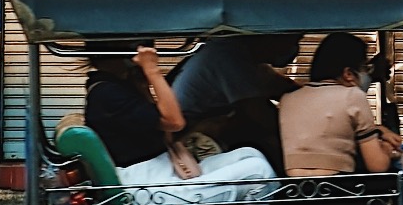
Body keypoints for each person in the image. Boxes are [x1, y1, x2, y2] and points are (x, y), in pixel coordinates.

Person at [278, 31, 401, 180]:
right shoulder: (353, 96)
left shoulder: (288, 99)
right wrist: (386, 149)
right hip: (339, 192)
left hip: (294, 194)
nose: (367, 75)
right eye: (364, 68)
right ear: (348, 74)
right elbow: (377, 166)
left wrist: (378, 129)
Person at [171, 31, 301, 170]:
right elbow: (258, 111)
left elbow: (283, 88)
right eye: (292, 40)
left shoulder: (245, 58)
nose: (293, 48)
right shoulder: (227, 55)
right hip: (191, 137)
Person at [82, 42, 199, 177]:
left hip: (159, 167)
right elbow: (175, 123)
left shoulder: (118, 87)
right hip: (144, 176)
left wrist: (143, 88)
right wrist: (152, 70)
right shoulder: (107, 93)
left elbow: (166, 135)